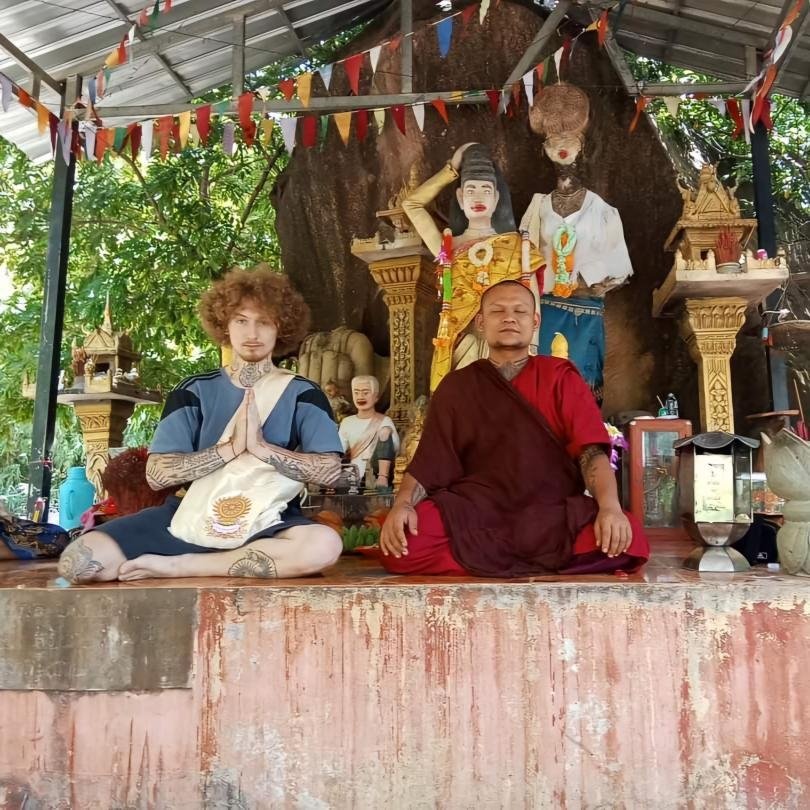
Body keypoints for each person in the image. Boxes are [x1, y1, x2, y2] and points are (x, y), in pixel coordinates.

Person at [57, 265, 343, 583]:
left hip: (267, 519)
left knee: (324, 546)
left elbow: (329, 469)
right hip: (184, 515)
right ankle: (197, 557)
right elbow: (157, 474)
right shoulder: (193, 390)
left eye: (264, 322)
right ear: (224, 324)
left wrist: (262, 449)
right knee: (78, 563)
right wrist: (229, 449)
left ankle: (184, 565)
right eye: (241, 321)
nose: (252, 334)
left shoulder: (303, 393)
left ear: (281, 328)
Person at [379, 280, 649, 577]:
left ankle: (483, 559)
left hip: (550, 511)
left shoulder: (560, 377)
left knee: (630, 536)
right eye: (497, 311)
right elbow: (430, 462)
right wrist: (402, 505)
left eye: (519, 311)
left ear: (535, 322)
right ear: (480, 322)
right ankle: (537, 560)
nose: (509, 318)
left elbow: (591, 452)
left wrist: (609, 507)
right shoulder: (458, 386)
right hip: (474, 509)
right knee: (402, 547)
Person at [519, 83, 633, 401]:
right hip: (546, 309)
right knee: (541, 387)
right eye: (554, 143)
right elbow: (524, 255)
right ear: (544, 149)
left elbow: (619, 267)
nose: (562, 149)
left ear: (583, 146)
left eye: (569, 141)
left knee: (581, 387)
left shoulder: (603, 210)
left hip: (586, 308)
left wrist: (588, 278)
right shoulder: (538, 207)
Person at [402, 142, 544, 391]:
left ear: (497, 197)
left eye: (486, 190)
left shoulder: (517, 246)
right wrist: (451, 168)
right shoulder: (448, 247)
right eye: (470, 190)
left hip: (509, 348)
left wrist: (530, 351)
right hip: (463, 345)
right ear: (460, 197)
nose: (478, 197)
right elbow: (411, 204)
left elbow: (531, 305)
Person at [338, 375, 400, 490]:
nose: (360, 396)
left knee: (385, 431)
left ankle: (383, 477)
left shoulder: (385, 421)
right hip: (354, 470)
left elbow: (395, 448)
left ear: (376, 397)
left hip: (375, 468)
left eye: (365, 393)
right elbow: (338, 450)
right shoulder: (347, 422)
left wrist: (386, 432)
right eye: (356, 393)